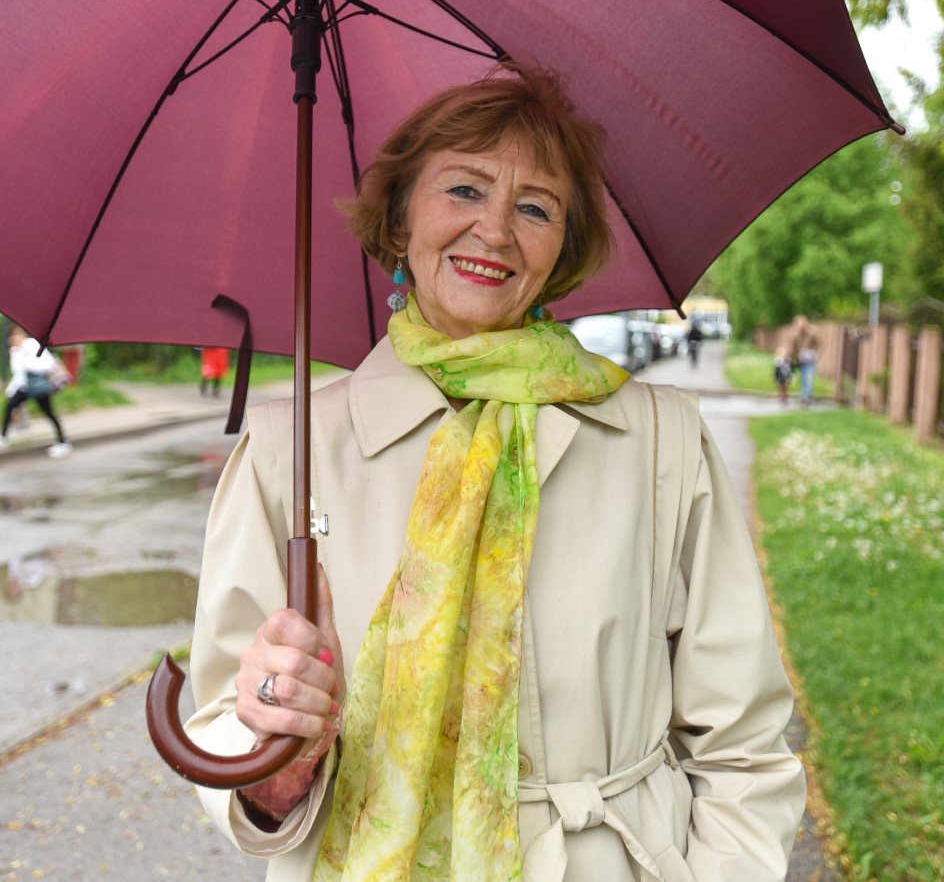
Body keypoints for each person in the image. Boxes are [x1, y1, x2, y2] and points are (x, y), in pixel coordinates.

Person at [184, 65, 804, 880]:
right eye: (465, 190)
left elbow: (743, 745)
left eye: (536, 207)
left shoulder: (662, 442)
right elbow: (225, 721)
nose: (497, 231)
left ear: (564, 250)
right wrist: (275, 764)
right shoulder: (287, 450)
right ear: (401, 220)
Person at [0, 326, 71, 458]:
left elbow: (48, 364)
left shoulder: (31, 344)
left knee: (49, 413)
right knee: (9, 407)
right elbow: (18, 375)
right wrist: (10, 391)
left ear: (24, 335)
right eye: (12, 336)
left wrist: (29, 364)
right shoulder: (14, 351)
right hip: (25, 388)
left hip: (38, 387)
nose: (15, 338)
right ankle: (2, 438)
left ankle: (62, 442)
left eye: (18, 334)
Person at [790, 314, 820, 407]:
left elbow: (819, 345)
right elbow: (793, 348)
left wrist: (817, 354)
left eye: (800, 323)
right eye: (797, 324)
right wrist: (795, 357)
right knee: (804, 378)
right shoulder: (796, 335)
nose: (799, 326)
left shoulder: (812, 333)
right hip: (801, 361)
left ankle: (806, 398)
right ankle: (806, 395)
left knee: (809, 377)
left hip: (811, 360)